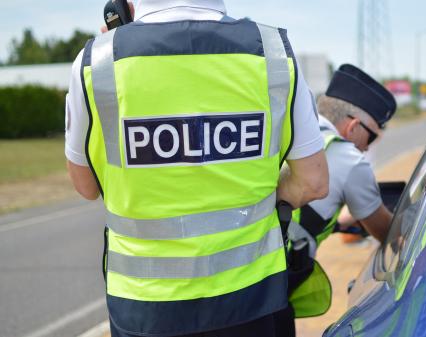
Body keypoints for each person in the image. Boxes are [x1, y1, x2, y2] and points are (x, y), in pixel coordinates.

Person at [64, 1, 329, 336]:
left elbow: (86, 186)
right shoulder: (275, 53)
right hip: (253, 300)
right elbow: (314, 182)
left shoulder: (96, 62)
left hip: (144, 310)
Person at [273, 64, 396, 337]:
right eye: (372, 136)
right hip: (274, 285)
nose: (367, 147)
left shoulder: (286, 130)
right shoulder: (350, 160)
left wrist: (340, 223)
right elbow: (386, 232)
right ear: (353, 125)